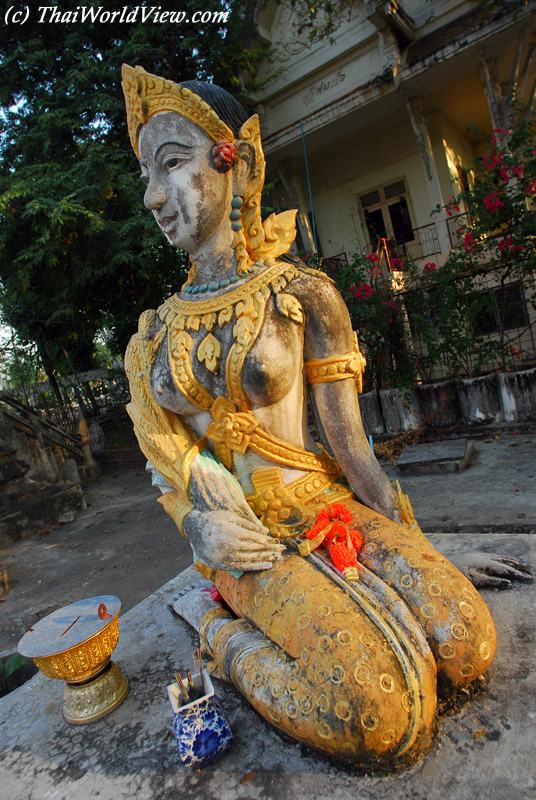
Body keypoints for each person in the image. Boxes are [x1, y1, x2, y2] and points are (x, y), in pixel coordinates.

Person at [120, 65, 514, 768]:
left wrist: (424, 559)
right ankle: (213, 623)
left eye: (171, 164)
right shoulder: (152, 339)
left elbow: (354, 453)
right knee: (379, 713)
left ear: (233, 161)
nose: (154, 195)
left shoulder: (303, 293)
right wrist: (201, 527)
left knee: (464, 641)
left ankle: (395, 598)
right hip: (240, 538)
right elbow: (169, 460)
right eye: (147, 174)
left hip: (324, 501)